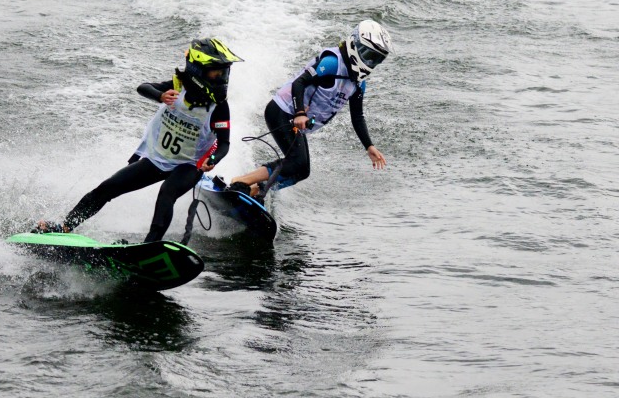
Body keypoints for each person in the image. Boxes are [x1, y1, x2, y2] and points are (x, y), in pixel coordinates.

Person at [35, 37, 242, 242]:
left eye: (224, 72)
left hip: (189, 165)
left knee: (167, 193)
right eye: (216, 72)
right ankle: (65, 228)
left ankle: (149, 246)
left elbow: (224, 144)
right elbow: (143, 87)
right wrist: (160, 96)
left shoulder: (219, 107)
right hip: (157, 160)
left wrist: (212, 159)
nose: (221, 78)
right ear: (196, 70)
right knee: (108, 187)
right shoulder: (177, 87)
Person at [227, 19, 393, 198]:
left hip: (295, 121)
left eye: (376, 59)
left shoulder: (358, 84)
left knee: (302, 171)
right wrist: (300, 112)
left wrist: (369, 146)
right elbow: (299, 83)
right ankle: (241, 181)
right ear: (355, 44)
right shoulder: (332, 63)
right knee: (296, 162)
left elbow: (357, 116)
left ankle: (253, 191)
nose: (370, 61)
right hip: (281, 111)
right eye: (368, 55)